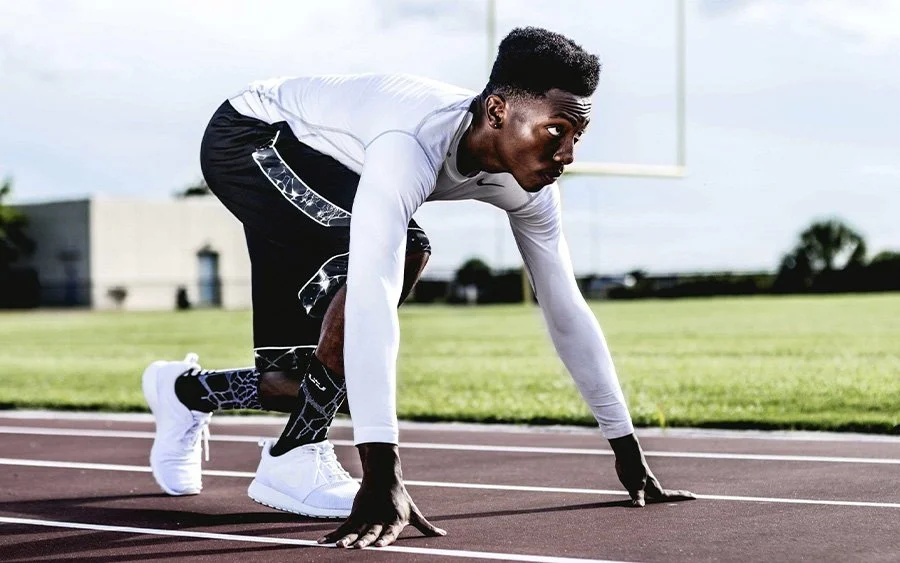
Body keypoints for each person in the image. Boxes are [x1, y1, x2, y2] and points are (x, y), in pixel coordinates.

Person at [142, 26, 694, 549]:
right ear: (497, 110)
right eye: (556, 130)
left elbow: (566, 310)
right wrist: (382, 474)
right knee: (402, 252)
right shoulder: (411, 142)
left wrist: (627, 452)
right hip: (253, 137)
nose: (568, 154)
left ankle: (184, 392)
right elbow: (375, 295)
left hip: (332, 165)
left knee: (294, 380)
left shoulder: (531, 189)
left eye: (577, 135)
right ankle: (295, 454)